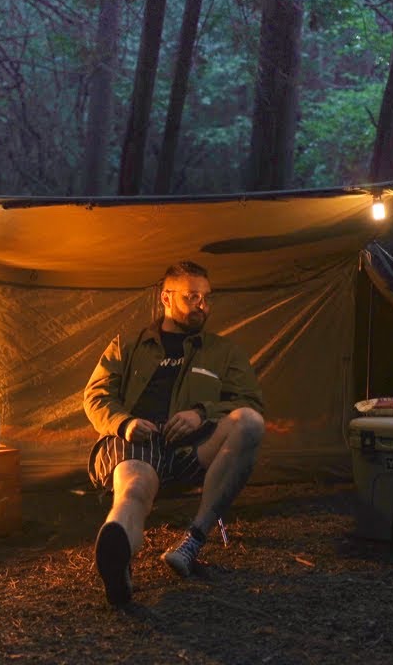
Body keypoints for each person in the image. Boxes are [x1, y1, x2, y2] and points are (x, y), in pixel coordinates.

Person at [83, 260, 265, 606]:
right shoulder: (128, 345)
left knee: (250, 422)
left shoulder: (224, 352)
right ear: (166, 298)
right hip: (139, 441)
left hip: (195, 446)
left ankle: (193, 540)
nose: (202, 305)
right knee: (135, 489)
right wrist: (124, 423)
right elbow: (96, 395)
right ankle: (118, 559)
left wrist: (202, 414)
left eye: (205, 298)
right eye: (191, 297)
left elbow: (250, 401)